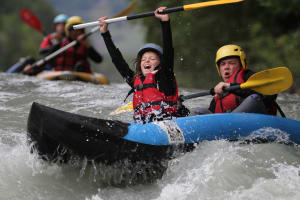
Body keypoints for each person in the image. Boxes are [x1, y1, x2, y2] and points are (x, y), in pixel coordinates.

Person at [98, 7, 189, 123]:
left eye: (152, 59)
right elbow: (118, 62)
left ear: (160, 63)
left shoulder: (165, 76)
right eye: (144, 59)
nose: (146, 61)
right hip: (144, 127)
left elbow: (168, 50)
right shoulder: (135, 80)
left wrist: (165, 22)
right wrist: (105, 34)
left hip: (168, 123)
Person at [208, 44, 279, 115]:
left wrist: (231, 87)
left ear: (241, 65)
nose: (226, 67)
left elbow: (270, 95)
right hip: (228, 122)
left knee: (253, 98)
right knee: (198, 111)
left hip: (260, 119)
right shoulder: (218, 93)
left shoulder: (250, 76)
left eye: (231, 63)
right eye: (223, 64)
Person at [24, 16, 103, 74]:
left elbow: (98, 60)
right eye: (72, 30)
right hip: (61, 74)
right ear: (68, 31)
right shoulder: (61, 44)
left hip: (81, 75)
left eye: (78, 29)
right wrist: (33, 67)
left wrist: (88, 46)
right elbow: (47, 58)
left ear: (82, 31)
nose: (75, 32)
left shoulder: (86, 44)